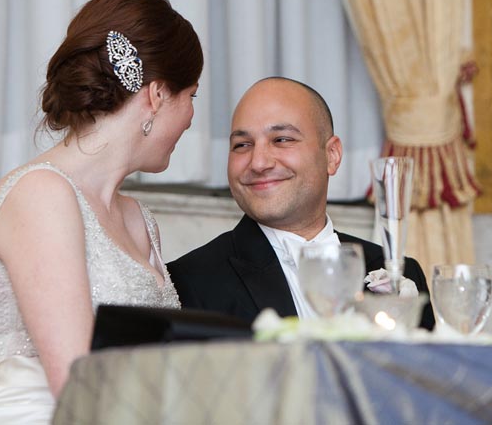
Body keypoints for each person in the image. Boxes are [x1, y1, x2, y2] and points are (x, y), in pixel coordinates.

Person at [0, 0, 203, 424]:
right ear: (157, 95)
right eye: (191, 96)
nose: (192, 118)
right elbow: (77, 386)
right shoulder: (40, 194)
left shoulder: (141, 222)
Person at [168, 77, 435, 330]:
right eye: (242, 145)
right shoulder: (190, 281)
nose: (259, 163)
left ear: (331, 155)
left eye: (281, 140)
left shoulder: (398, 271)